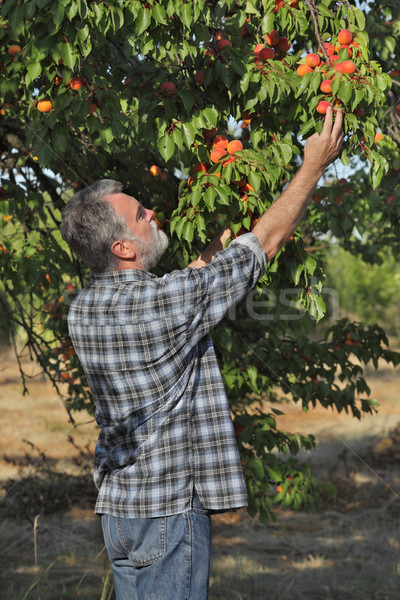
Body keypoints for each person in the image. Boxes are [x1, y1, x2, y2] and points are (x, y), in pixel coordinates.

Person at [60, 107, 343, 600]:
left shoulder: (84, 307)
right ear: (124, 248)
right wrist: (313, 166)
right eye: (140, 214)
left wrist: (218, 241)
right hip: (169, 511)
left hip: (120, 513)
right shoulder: (163, 303)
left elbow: (186, 286)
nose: (151, 213)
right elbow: (266, 243)